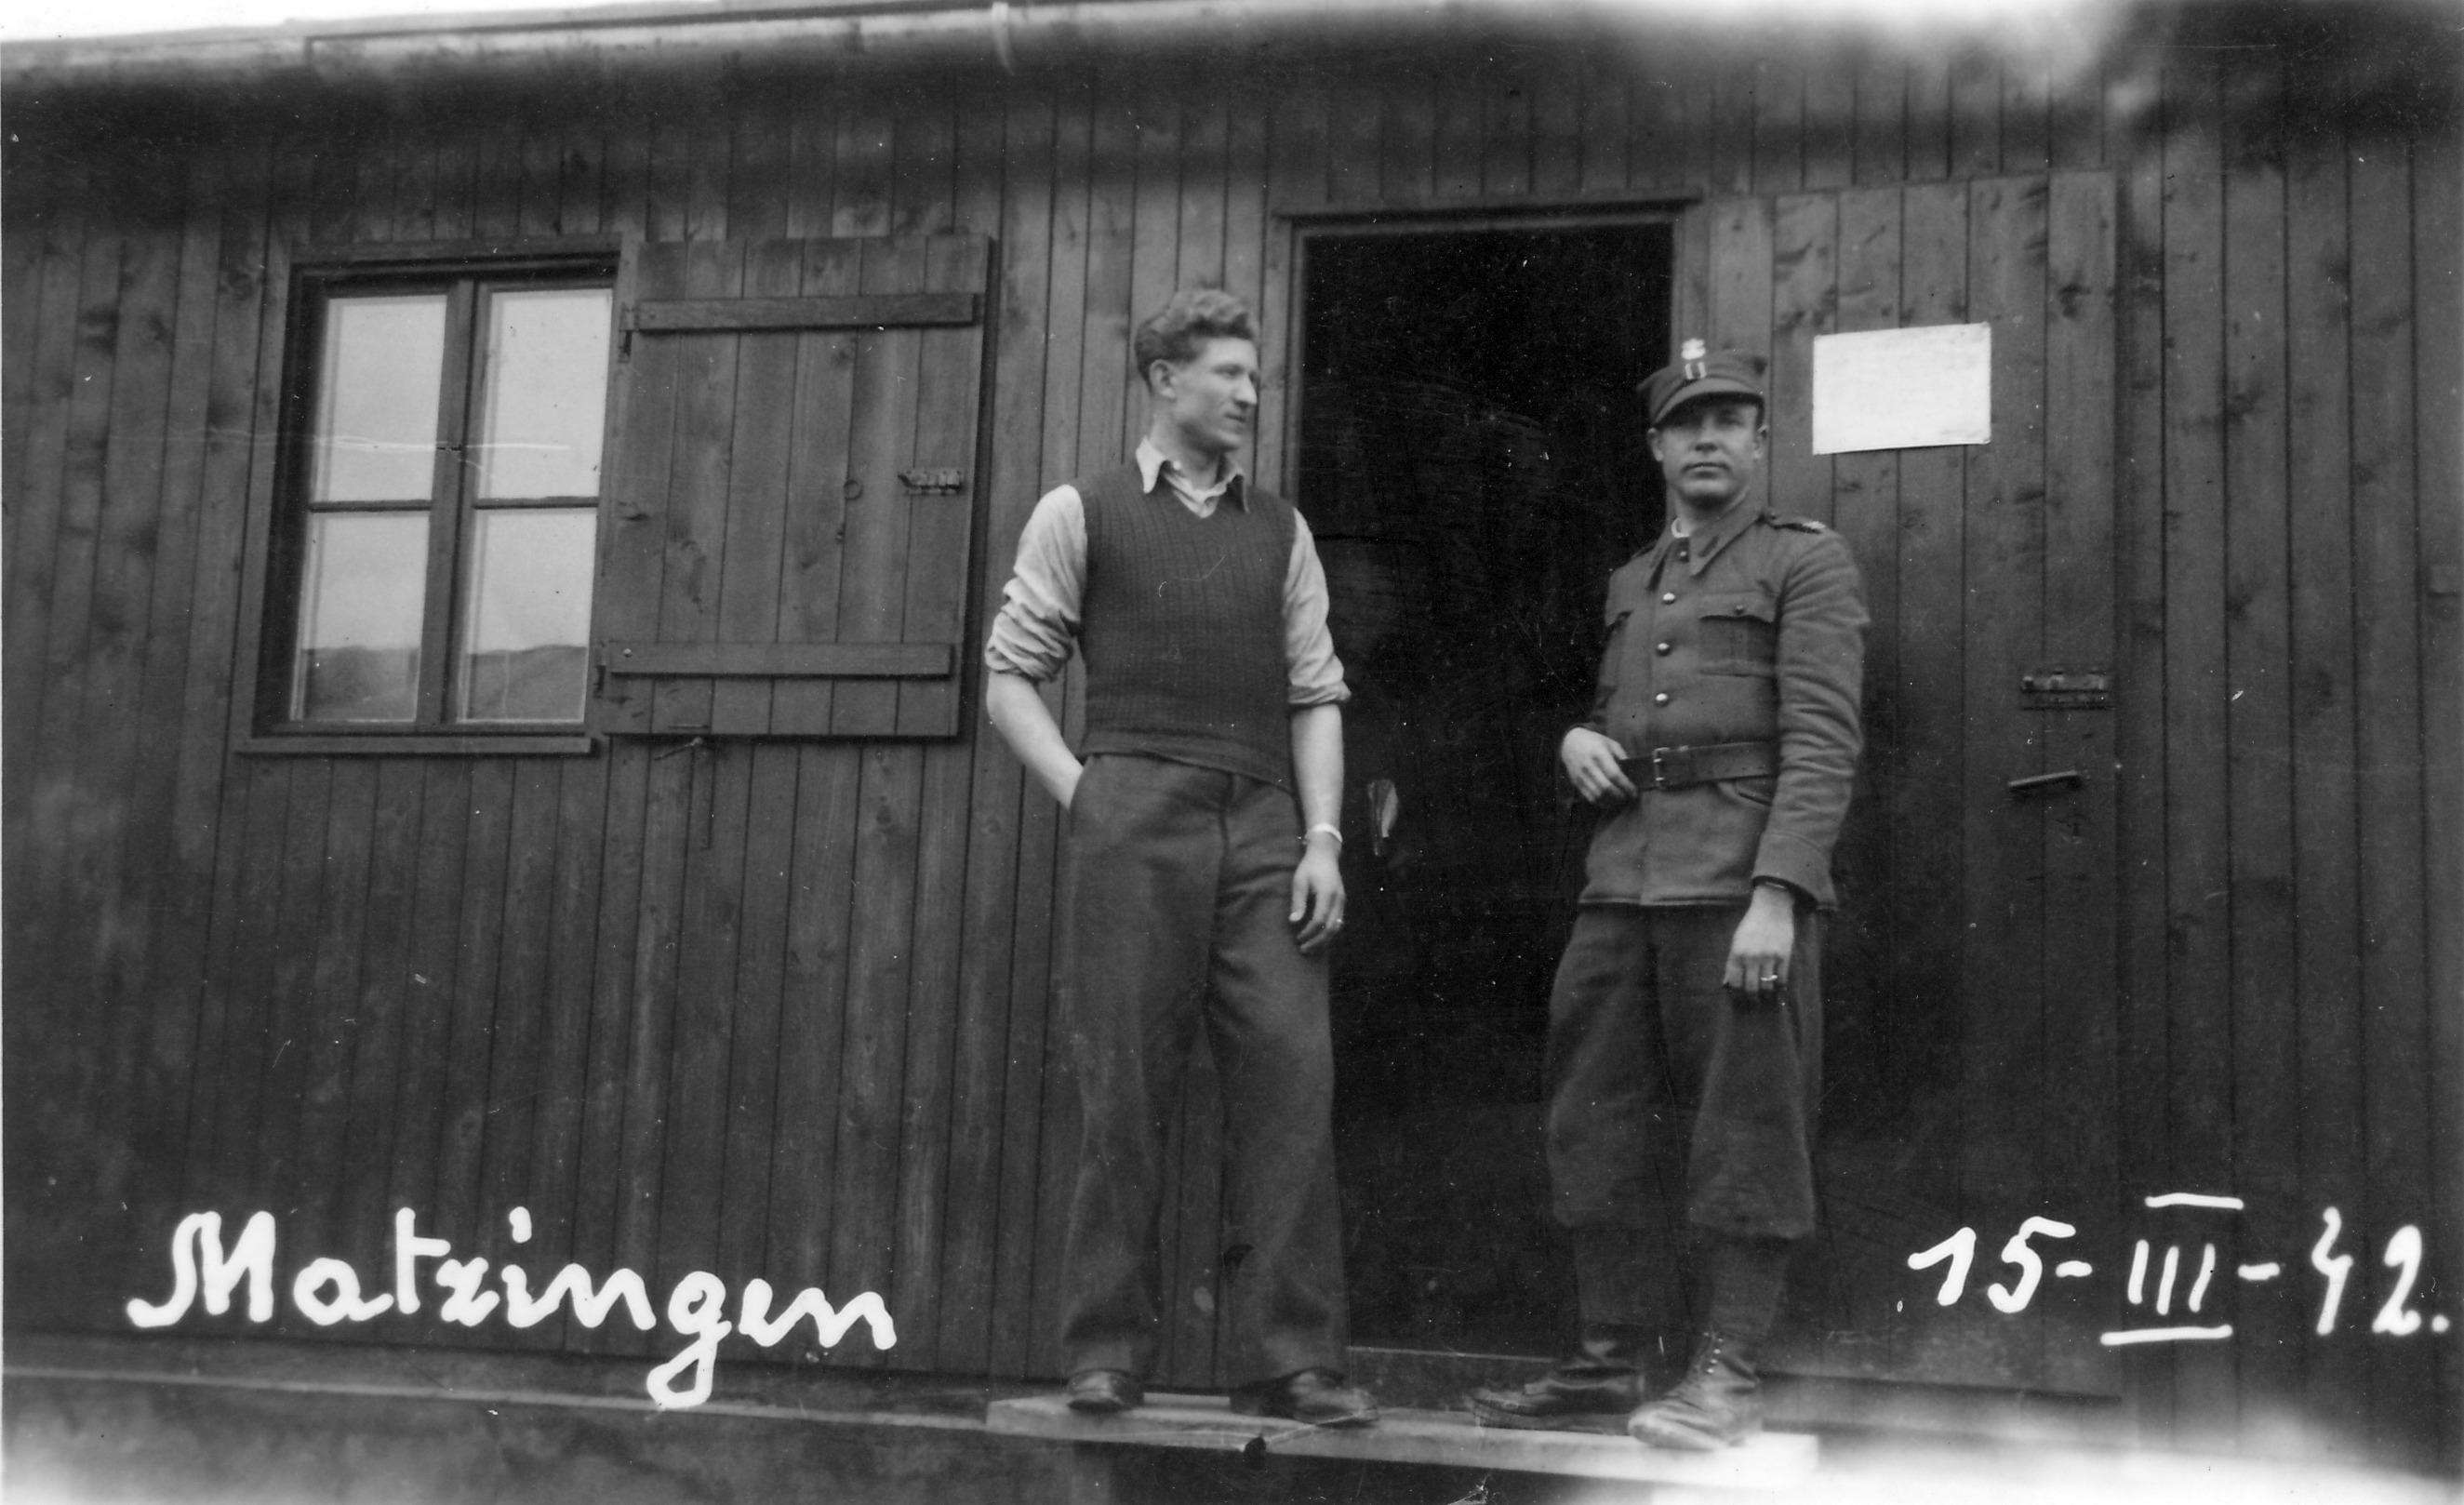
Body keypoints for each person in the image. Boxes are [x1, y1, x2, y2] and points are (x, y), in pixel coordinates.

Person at [982, 288, 1378, 1428]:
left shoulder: (1282, 530)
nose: (1251, 394)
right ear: (1164, 379)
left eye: (1255, 376)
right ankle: (1106, 1351)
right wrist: (1091, 796)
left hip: (1265, 828)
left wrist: (1322, 838)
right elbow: (1010, 678)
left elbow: (1316, 694)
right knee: (1125, 1088)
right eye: (1228, 375)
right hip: (1135, 822)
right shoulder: (1082, 511)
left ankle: (1293, 1360)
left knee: (1291, 1084)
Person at [1469, 341, 1866, 1450]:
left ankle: (1727, 1376)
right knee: (1591, 1116)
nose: (1707, 439)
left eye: (1729, 420)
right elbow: (1622, 718)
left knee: (1749, 1128)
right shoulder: (1632, 581)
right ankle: (1609, 1362)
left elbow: (1824, 742)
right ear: (1655, 447)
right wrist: (1577, 741)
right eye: (1688, 423)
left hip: (1737, 888)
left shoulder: (1805, 562)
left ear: (1760, 440)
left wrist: (1778, 894)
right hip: (1621, 887)